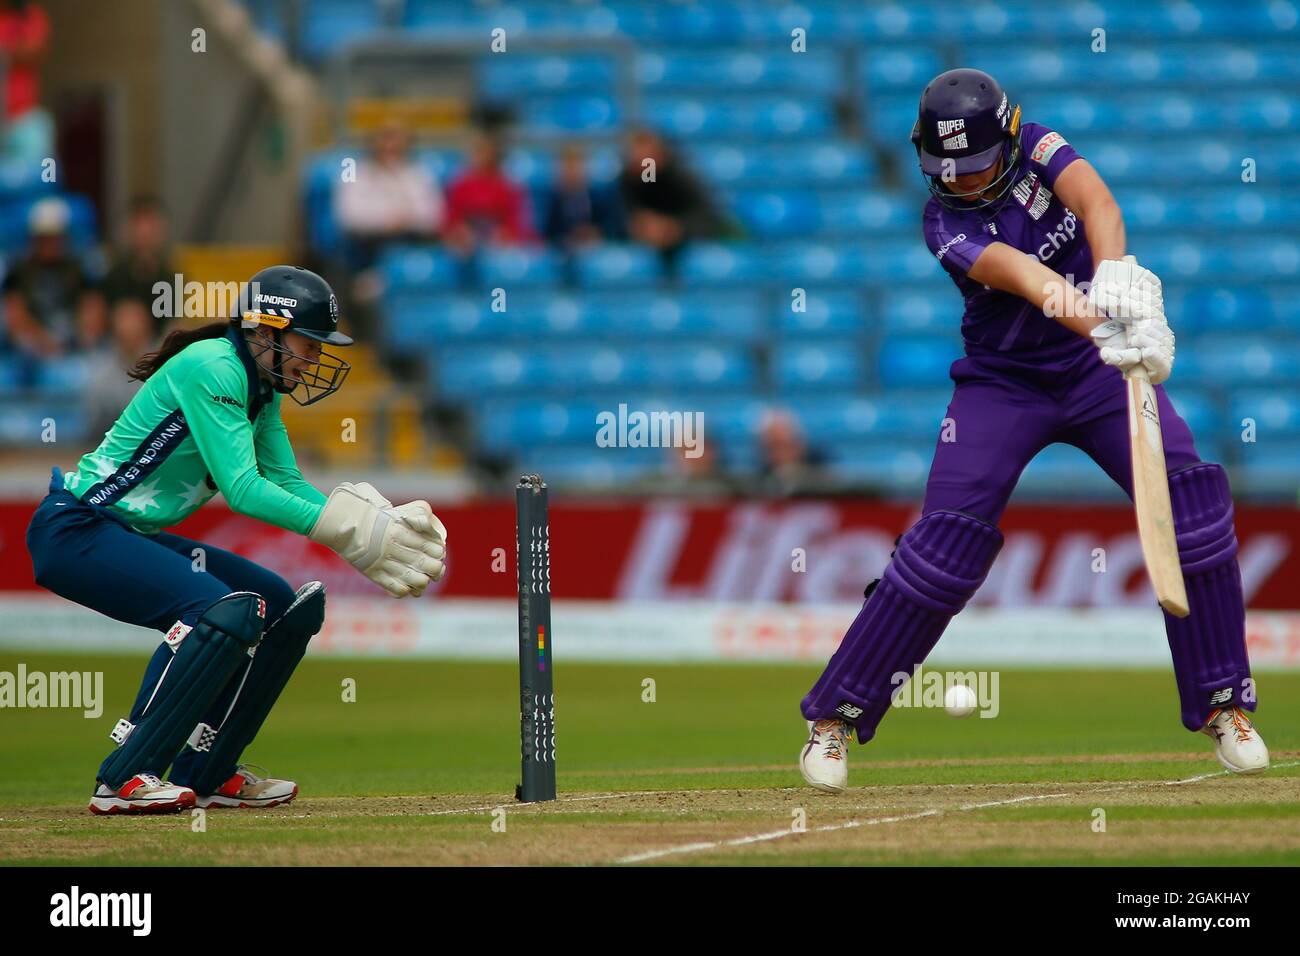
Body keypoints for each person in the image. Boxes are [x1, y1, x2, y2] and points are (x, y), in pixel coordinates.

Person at [797, 69, 1267, 793]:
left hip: (1092, 371)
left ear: (1009, 140)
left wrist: (1116, 279)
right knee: (941, 548)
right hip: (1003, 382)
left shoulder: (1041, 144)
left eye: (976, 167)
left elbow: (1098, 202)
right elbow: (1033, 283)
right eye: (944, 172)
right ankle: (834, 721)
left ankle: (1223, 704)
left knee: (1191, 504)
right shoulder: (943, 224)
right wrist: (1113, 327)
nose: (961, 184)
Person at [26, 266, 449, 814]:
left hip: (123, 531)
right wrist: (347, 531)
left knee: (283, 605)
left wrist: (369, 533)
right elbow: (245, 489)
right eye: (308, 343)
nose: (315, 359)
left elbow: (287, 481)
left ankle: (208, 770)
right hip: (76, 526)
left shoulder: (261, 387)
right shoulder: (214, 367)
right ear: (266, 331)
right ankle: (126, 776)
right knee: (218, 611)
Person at [2, 197, 106, 366]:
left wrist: (73, 338)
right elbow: (14, 315)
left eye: (54, 237)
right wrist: (42, 340)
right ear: (33, 238)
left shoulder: (79, 270)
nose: (49, 243)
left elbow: (92, 310)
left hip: (72, 346)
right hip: (28, 351)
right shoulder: (18, 272)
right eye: (44, 237)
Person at [335, 122, 444, 269]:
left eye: (396, 146)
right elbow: (348, 216)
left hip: (412, 239)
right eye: (385, 143)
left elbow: (433, 213)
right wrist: (385, 220)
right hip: (370, 243)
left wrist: (406, 219)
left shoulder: (418, 174)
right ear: (373, 146)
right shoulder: (355, 173)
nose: (390, 150)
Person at [618, 128, 725, 260]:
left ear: (660, 153)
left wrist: (675, 229)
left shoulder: (682, 179)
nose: (641, 161)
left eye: (647, 158)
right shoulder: (627, 182)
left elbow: (706, 217)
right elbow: (620, 216)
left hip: (684, 249)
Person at [442, 132, 536, 256]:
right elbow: (451, 218)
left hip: (500, 240)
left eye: (484, 152)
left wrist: (505, 234)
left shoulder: (507, 185)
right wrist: (459, 232)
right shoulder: (460, 185)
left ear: (494, 155)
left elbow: (516, 220)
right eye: (477, 152)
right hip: (465, 241)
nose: (480, 157)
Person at [100, 195, 178, 341]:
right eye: (139, 226)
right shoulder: (116, 276)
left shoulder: (172, 278)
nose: (145, 233)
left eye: (150, 226)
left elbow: (173, 323)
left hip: (158, 347)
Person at [541, 143, 624, 249]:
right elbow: (549, 233)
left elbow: (612, 226)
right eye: (568, 167)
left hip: (597, 249)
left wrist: (597, 234)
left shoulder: (600, 197)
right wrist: (569, 238)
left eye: (576, 167)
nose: (572, 173)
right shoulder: (553, 199)